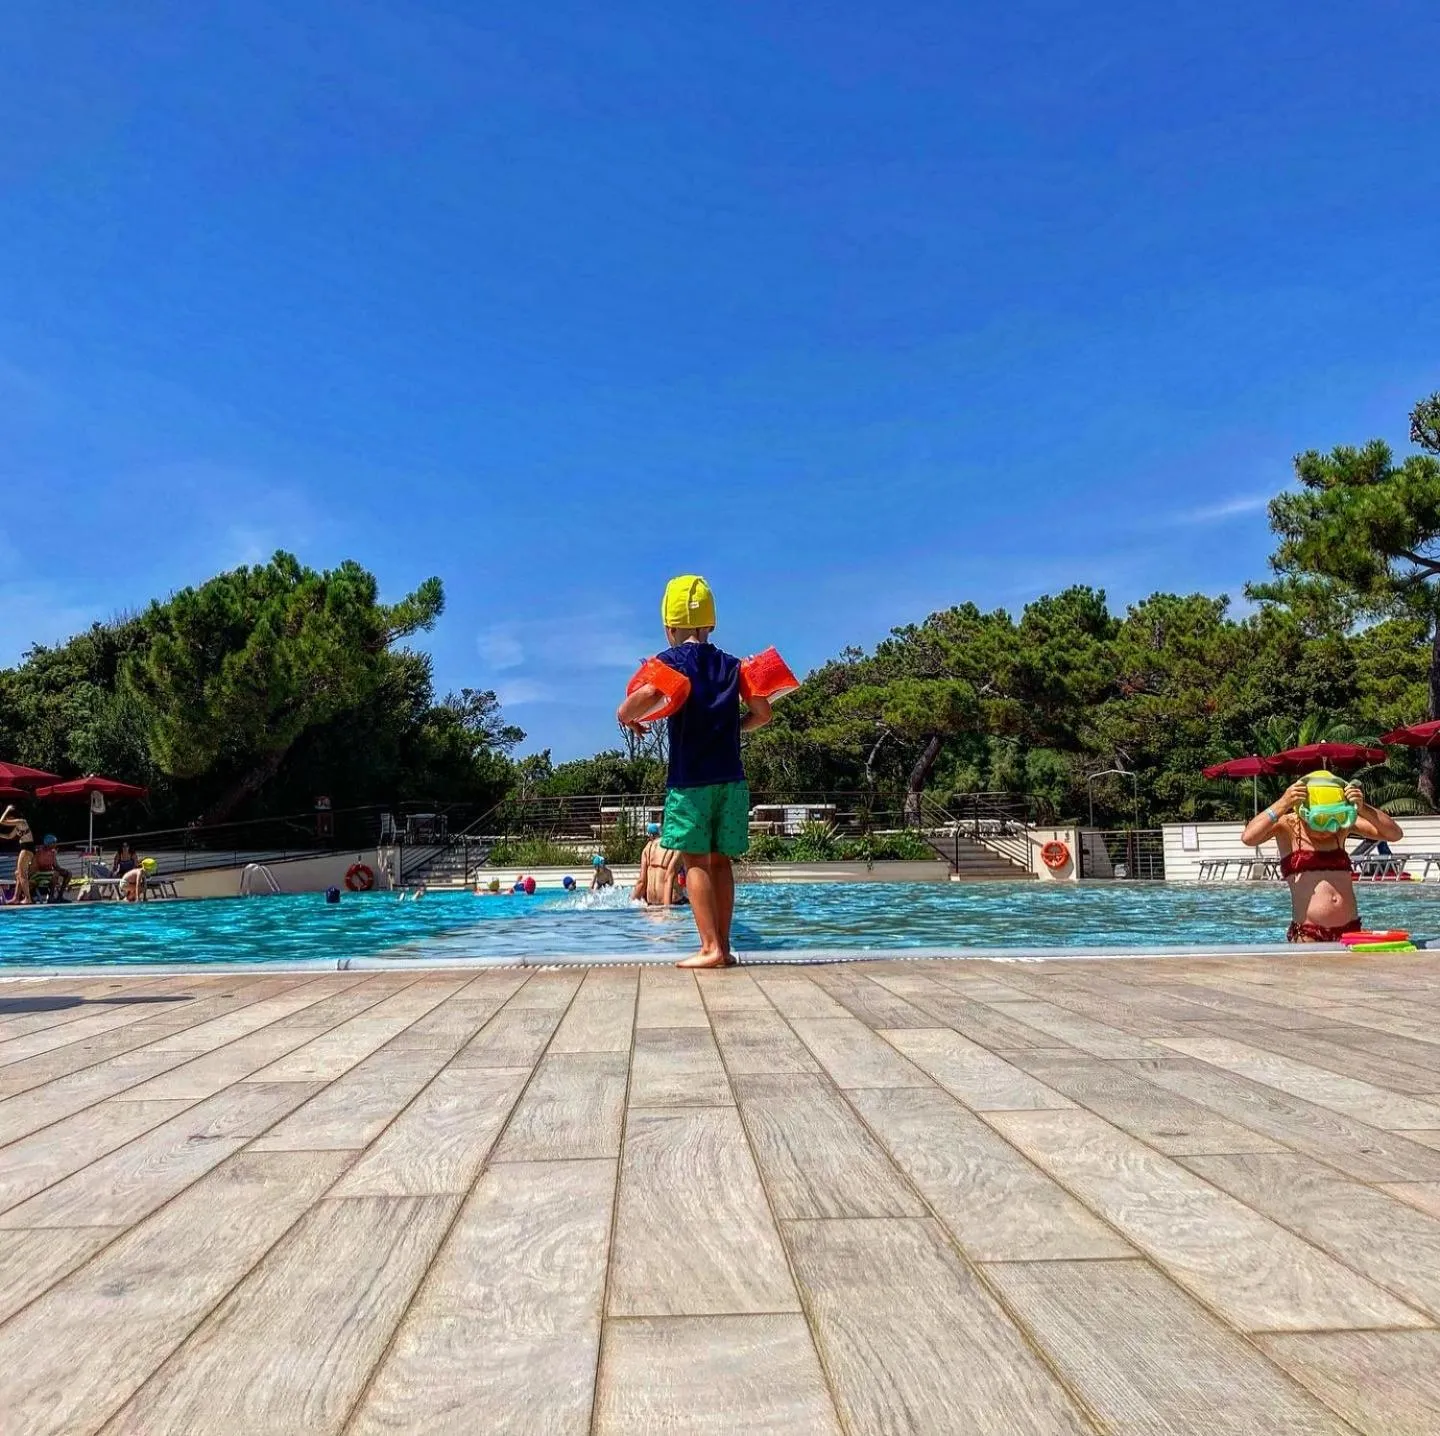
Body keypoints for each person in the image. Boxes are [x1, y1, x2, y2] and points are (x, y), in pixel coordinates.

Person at [616, 575, 773, 967]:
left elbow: (647, 697)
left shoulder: (672, 662)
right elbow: (763, 713)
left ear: (669, 628)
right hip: (732, 780)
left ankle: (710, 949)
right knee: (721, 862)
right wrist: (735, 727)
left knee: (695, 862)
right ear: (711, 623)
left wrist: (625, 715)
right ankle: (724, 945)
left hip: (691, 782)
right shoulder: (733, 665)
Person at [1241, 773, 1403, 942]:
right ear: (1303, 813)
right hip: (1308, 933)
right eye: (1318, 821)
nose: (1327, 829)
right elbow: (1249, 837)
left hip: (1350, 931)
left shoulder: (1342, 827)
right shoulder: (1287, 825)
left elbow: (1395, 834)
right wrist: (1283, 803)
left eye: (1334, 821)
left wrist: (1362, 807)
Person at [632, 822, 687, 906]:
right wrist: (667, 909)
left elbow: (641, 882)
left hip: (651, 905)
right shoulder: (677, 848)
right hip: (673, 904)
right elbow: (669, 877)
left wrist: (631, 904)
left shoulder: (647, 848)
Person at [0, 804, 37, 905]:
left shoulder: (22, 821)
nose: (9, 820)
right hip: (27, 849)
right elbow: (8, 836)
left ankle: (28, 898)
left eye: (9, 817)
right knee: (18, 874)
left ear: (13, 816)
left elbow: (1, 821)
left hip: (26, 849)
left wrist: (7, 809)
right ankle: (16, 898)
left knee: (22, 874)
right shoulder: (18, 827)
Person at [32, 836, 72, 904]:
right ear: (48, 843)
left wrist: (63, 871)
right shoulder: (39, 852)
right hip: (38, 874)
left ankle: (60, 896)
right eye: (54, 843)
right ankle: (51, 897)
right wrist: (51, 870)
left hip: (48, 873)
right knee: (55, 874)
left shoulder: (52, 852)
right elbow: (40, 866)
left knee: (68, 873)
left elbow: (56, 866)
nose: (55, 844)